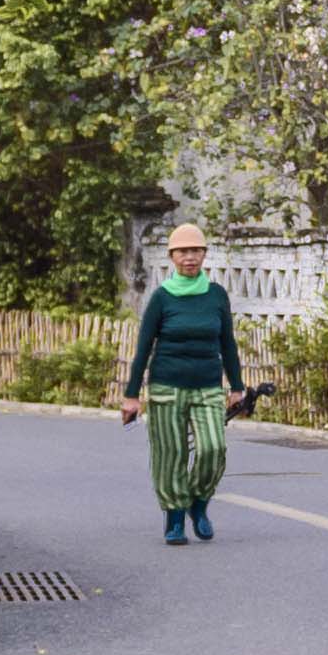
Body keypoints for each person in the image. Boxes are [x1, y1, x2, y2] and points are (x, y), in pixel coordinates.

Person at [117, 223, 243, 543]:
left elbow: (227, 343)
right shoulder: (161, 298)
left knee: (213, 448)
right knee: (170, 454)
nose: (190, 257)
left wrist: (237, 387)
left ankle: (198, 505)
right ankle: (174, 518)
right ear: (172, 257)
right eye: (183, 252)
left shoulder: (216, 296)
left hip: (208, 386)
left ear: (204, 255)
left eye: (196, 251)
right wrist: (132, 395)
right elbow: (144, 347)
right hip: (166, 387)